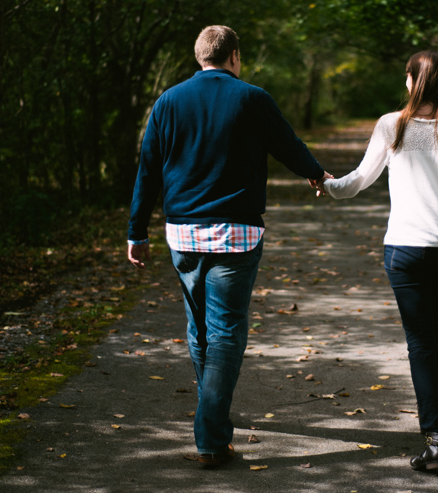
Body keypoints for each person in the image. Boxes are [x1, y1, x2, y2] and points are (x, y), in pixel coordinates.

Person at [127, 25, 331, 468]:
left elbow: (148, 169)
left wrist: (136, 232)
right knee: (225, 333)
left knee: (199, 328)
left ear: (199, 57)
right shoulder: (252, 97)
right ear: (234, 56)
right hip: (236, 236)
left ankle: (211, 418)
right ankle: (212, 435)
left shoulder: (168, 101)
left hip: (182, 234)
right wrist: (316, 173)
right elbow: (287, 145)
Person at [323, 50, 438, 473]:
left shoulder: (393, 125)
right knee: (435, 334)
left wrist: (327, 184)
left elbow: (358, 181)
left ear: (412, 82)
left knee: (424, 340)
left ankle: (435, 436)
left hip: (405, 250)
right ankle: (434, 422)